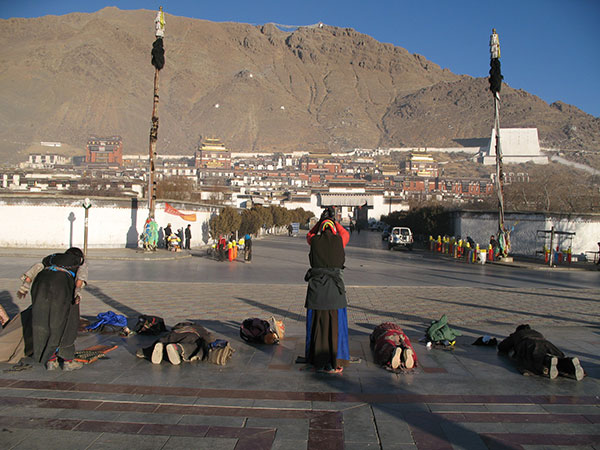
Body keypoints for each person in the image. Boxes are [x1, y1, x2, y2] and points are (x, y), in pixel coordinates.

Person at [304, 207, 350, 373]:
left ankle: (317, 361)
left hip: (317, 290)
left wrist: (319, 223)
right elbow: (346, 235)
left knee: (317, 325)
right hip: (335, 291)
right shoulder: (339, 240)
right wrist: (334, 222)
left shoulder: (314, 242)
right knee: (336, 327)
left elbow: (309, 236)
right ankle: (336, 361)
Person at [27, 248, 87, 370]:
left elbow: (34, 270)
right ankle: (67, 361)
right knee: (68, 321)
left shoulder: (51, 258)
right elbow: (79, 280)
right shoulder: (80, 262)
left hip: (40, 285)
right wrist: (77, 293)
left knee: (43, 320)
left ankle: (50, 360)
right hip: (61, 286)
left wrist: (24, 286)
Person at [498, 324, 584, 380]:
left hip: (528, 344)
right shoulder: (537, 332)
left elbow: (502, 346)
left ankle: (547, 362)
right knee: (559, 358)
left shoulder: (517, 334)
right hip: (546, 343)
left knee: (532, 361)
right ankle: (569, 363)